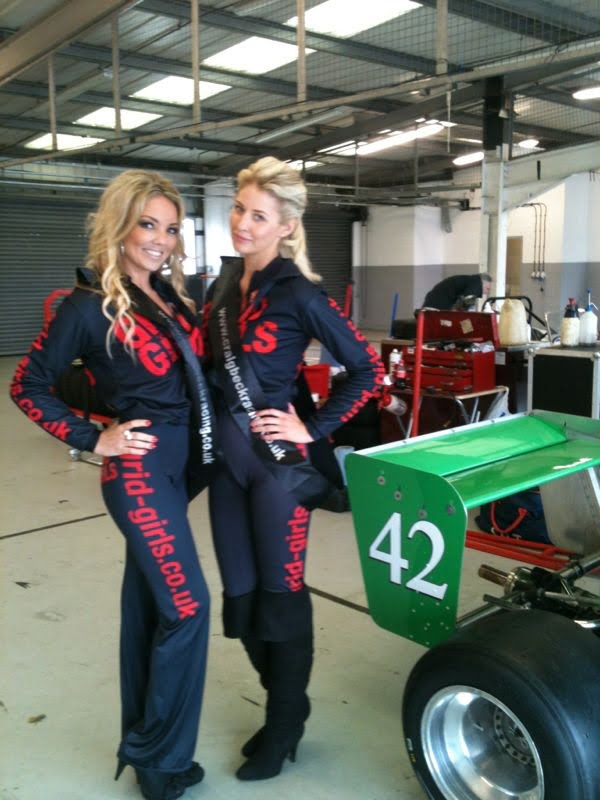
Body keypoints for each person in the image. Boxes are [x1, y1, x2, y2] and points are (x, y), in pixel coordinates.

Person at [9, 170, 216, 800]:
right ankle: (160, 760)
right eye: (147, 224)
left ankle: (146, 744)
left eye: (171, 227)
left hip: (181, 473)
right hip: (140, 477)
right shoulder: (86, 305)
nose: (160, 239)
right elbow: (27, 384)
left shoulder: (169, 297)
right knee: (188, 608)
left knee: (150, 605)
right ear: (119, 225)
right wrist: (92, 437)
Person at [202, 156, 385, 782]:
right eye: (238, 209)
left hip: (277, 474)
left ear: (285, 226)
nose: (242, 224)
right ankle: (291, 703)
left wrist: (314, 427)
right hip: (227, 473)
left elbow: (367, 369)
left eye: (258, 215)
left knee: (281, 598)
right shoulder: (221, 287)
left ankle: (282, 723)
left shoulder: (300, 293)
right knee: (242, 596)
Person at [422, 272, 492, 310]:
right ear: (482, 283)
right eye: (487, 288)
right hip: (436, 305)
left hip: (434, 301)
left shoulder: (470, 280)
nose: (487, 292)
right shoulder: (476, 283)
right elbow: (468, 303)